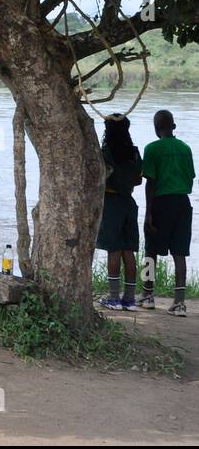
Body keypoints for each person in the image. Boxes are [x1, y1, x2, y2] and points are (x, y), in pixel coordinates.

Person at [141, 109, 194, 316]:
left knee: (150, 251)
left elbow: (150, 182)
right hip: (183, 203)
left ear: (156, 128)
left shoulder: (152, 149)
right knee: (180, 253)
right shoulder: (185, 148)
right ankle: (179, 302)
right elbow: (190, 177)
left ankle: (147, 295)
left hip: (161, 203)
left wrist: (148, 214)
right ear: (173, 126)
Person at [97, 114, 143, 311]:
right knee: (128, 250)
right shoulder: (133, 152)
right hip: (129, 202)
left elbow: (99, 177)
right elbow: (139, 180)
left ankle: (114, 298)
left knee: (113, 249)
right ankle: (130, 300)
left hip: (111, 201)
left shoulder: (105, 151)